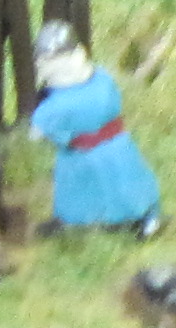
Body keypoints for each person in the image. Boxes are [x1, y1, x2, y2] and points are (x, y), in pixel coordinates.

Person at [31, 23, 163, 236]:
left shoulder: (56, 106)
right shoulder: (102, 79)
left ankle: (135, 220)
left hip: (83, 156)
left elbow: (38, 133)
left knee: (95, 188)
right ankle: (139, 217)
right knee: (124, 184)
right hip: (118, 147)